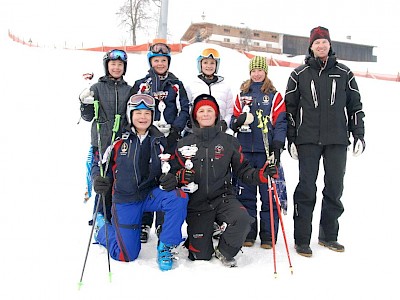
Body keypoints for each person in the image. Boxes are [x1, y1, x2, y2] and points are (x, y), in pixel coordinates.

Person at [168, 94, 279, 267]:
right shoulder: (184, 143)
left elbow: (243, 170)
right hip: (197, 204)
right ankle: (203, 233)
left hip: (223, 198)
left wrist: (261, 175)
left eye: (209, 110)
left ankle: (224, 249)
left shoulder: (229, 142)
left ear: (216, 114)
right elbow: (173, 173)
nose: (206, 114)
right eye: (201, 111)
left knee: (242, 219)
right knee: (200, 256)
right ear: (195, 116)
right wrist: (179, 177)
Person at [284, 26, 366, 257]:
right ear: (310, 47)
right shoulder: (298, 74)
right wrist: (291, 139)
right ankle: (302, 240)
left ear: (330, 45)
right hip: (307, 139)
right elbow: (289, 109)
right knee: (307, 188)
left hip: (337, 140)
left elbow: (355, 106)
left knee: (334, 188)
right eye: (317, 42)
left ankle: (328, 235)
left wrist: (358, 133)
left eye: (324, 42)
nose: (321, 46)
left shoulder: (344, 73)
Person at [92, 94, 189, 271]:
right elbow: (98, 164)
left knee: (178, 197)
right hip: (125, 199)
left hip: (149, 194)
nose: (142, 117)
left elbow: (174, 164)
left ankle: (166, 246)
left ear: (152, 116)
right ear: (130, 115)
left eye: (146, 113)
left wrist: (172, 177)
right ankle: (103, 229)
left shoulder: (160, 139)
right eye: (138, 113)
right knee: (126, 255)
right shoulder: (117, 139)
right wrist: (97, 179)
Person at [129, 41, 190, 243]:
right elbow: (132, 109)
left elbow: (184, 108)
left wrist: (175, 130)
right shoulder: (142, 83)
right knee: (146, 175)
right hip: (148, 136)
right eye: (156, 60)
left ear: (168, 62)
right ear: (150, 61)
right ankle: (144, 223)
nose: (160, 63)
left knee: (167, 177)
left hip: (170, 138)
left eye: (164, 60)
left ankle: (163, 222)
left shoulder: (176, 84)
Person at [229, 56, 287, 249]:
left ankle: (269, 235)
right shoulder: (242, 94)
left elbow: (280, 121)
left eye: (260, 70)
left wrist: (278, 144)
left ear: (265, 72)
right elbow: (234, 119)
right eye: (253, 71)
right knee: (246, 194)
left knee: (268, 194)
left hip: (266, 151)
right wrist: (237, 122)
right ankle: (249, 232)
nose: (257, 74)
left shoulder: (274, 95)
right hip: (245, 150)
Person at [79, 49, 132, 224]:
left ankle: (112, 214)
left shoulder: (129, 89)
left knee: (117, 180)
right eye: (113, 64)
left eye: (120, 65)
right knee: (103, 179)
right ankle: (99, 215)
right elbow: (88, 117)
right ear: (106, 66)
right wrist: (84, 103)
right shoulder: (97, 87)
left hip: (120, 143)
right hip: (101, 142)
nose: (116, 68)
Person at [184, 47, 234, 135]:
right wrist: (190, 122)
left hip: (218, 132)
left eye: (212, 63)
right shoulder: (191, 85)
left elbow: (230, 111)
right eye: (205, 62)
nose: (209, 66)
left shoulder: (225, 87)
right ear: (200, 64)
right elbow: (184, 107)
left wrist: (224, 123)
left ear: (216, 65)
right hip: (196, 132)